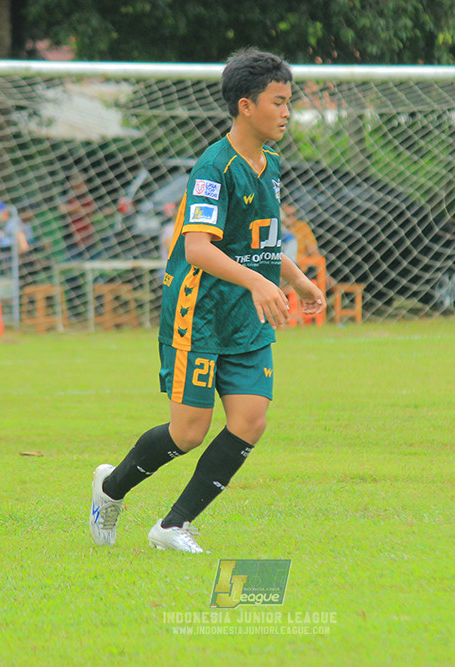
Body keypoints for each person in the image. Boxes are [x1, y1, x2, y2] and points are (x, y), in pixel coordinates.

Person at [89, 48, 324, 553]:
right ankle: (109, 490)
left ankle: (172, 527)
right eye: (278, 102)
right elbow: (198, 249)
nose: (287, 112)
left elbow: (259, 241)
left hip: (247, 317)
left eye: (289, 101)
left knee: (250, 421)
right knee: (188, 432)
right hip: (200, 315)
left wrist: (296, 279)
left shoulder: (272, 164)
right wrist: (259, 284)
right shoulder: (212, 168)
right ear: (245, 105)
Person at [59, 172, 97, 260]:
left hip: (88, 239)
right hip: (72, 241)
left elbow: (92, 210)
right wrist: (80, 209)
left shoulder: (87, 198)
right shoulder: (68, 197)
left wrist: (78, 209)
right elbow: (63, 209)